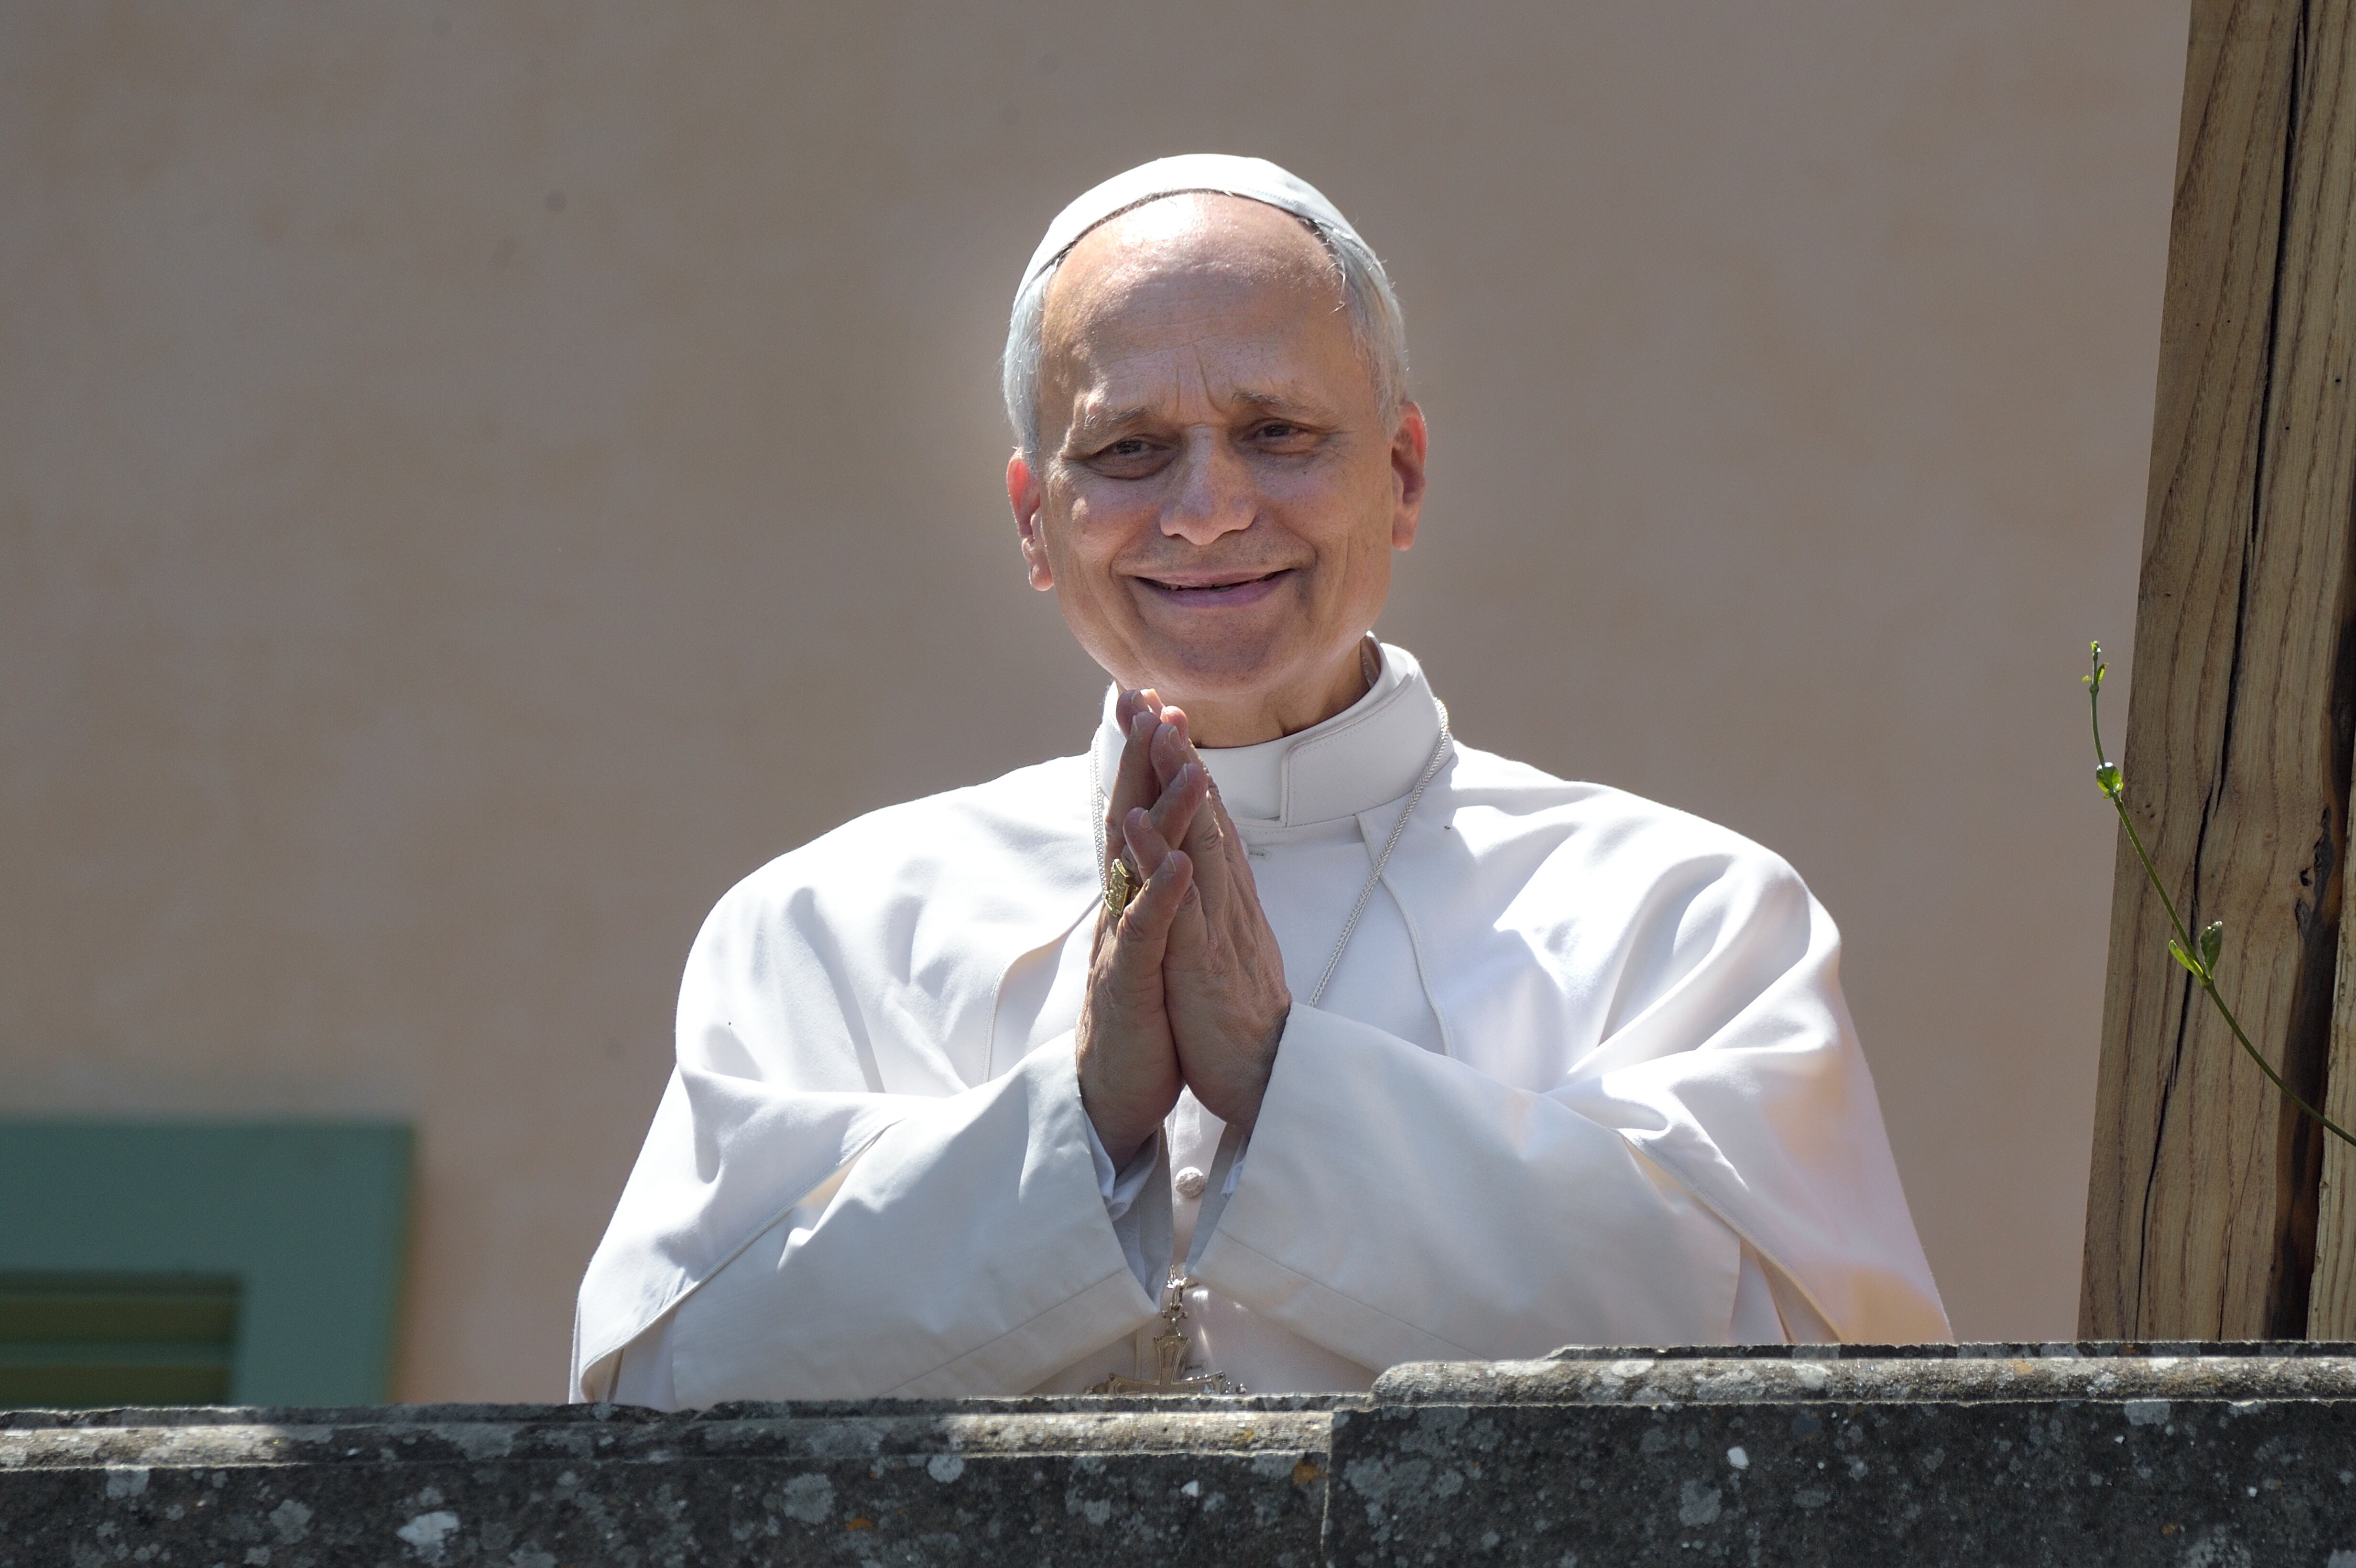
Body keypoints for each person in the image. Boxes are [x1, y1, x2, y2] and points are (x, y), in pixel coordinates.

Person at [571, 154, 1948, 1407]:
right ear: (1035, 522)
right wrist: (1081, 1123)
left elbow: (1815, 1393)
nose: (1209, 509)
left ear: (1400, 476)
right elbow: (668, 1399)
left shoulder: (1685, 917)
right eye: (1127, 450)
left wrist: (1290, 1087)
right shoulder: (823, 931)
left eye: (1279, 432)